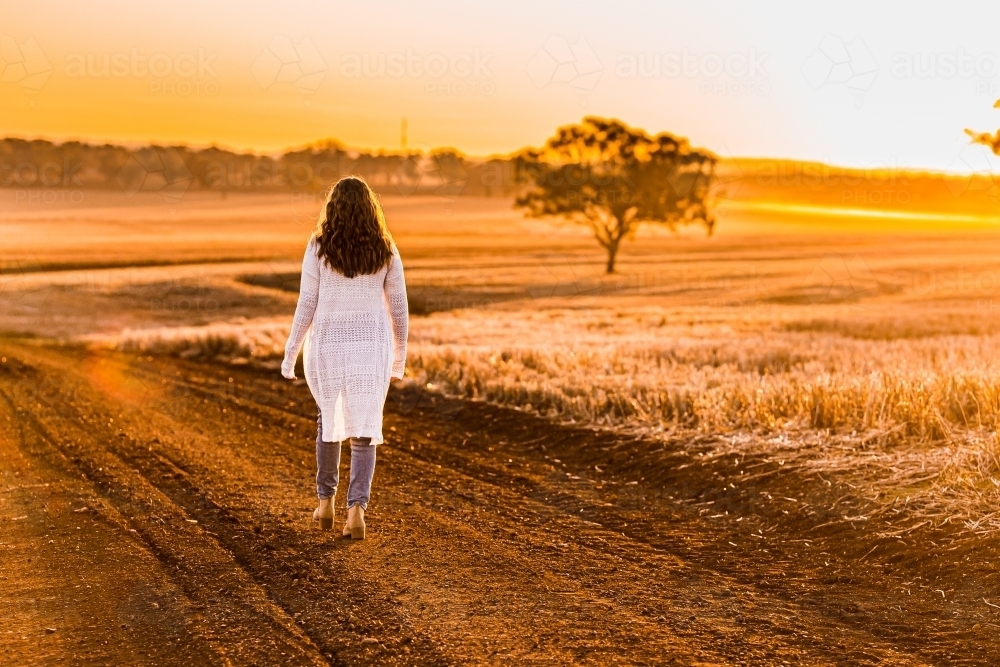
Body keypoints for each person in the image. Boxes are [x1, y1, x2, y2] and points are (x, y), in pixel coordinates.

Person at [280, 176, 408, 539]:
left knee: (330, 422)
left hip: (329, 346)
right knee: (365, 429)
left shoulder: (319, 247)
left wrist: (291, 354)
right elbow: (399, 309)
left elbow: (307, 302)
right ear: (372, 209)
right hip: (372, 348)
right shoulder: (385, 248)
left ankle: (325, 503)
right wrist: (399, 358)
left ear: (332, 207)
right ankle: (356, 512)